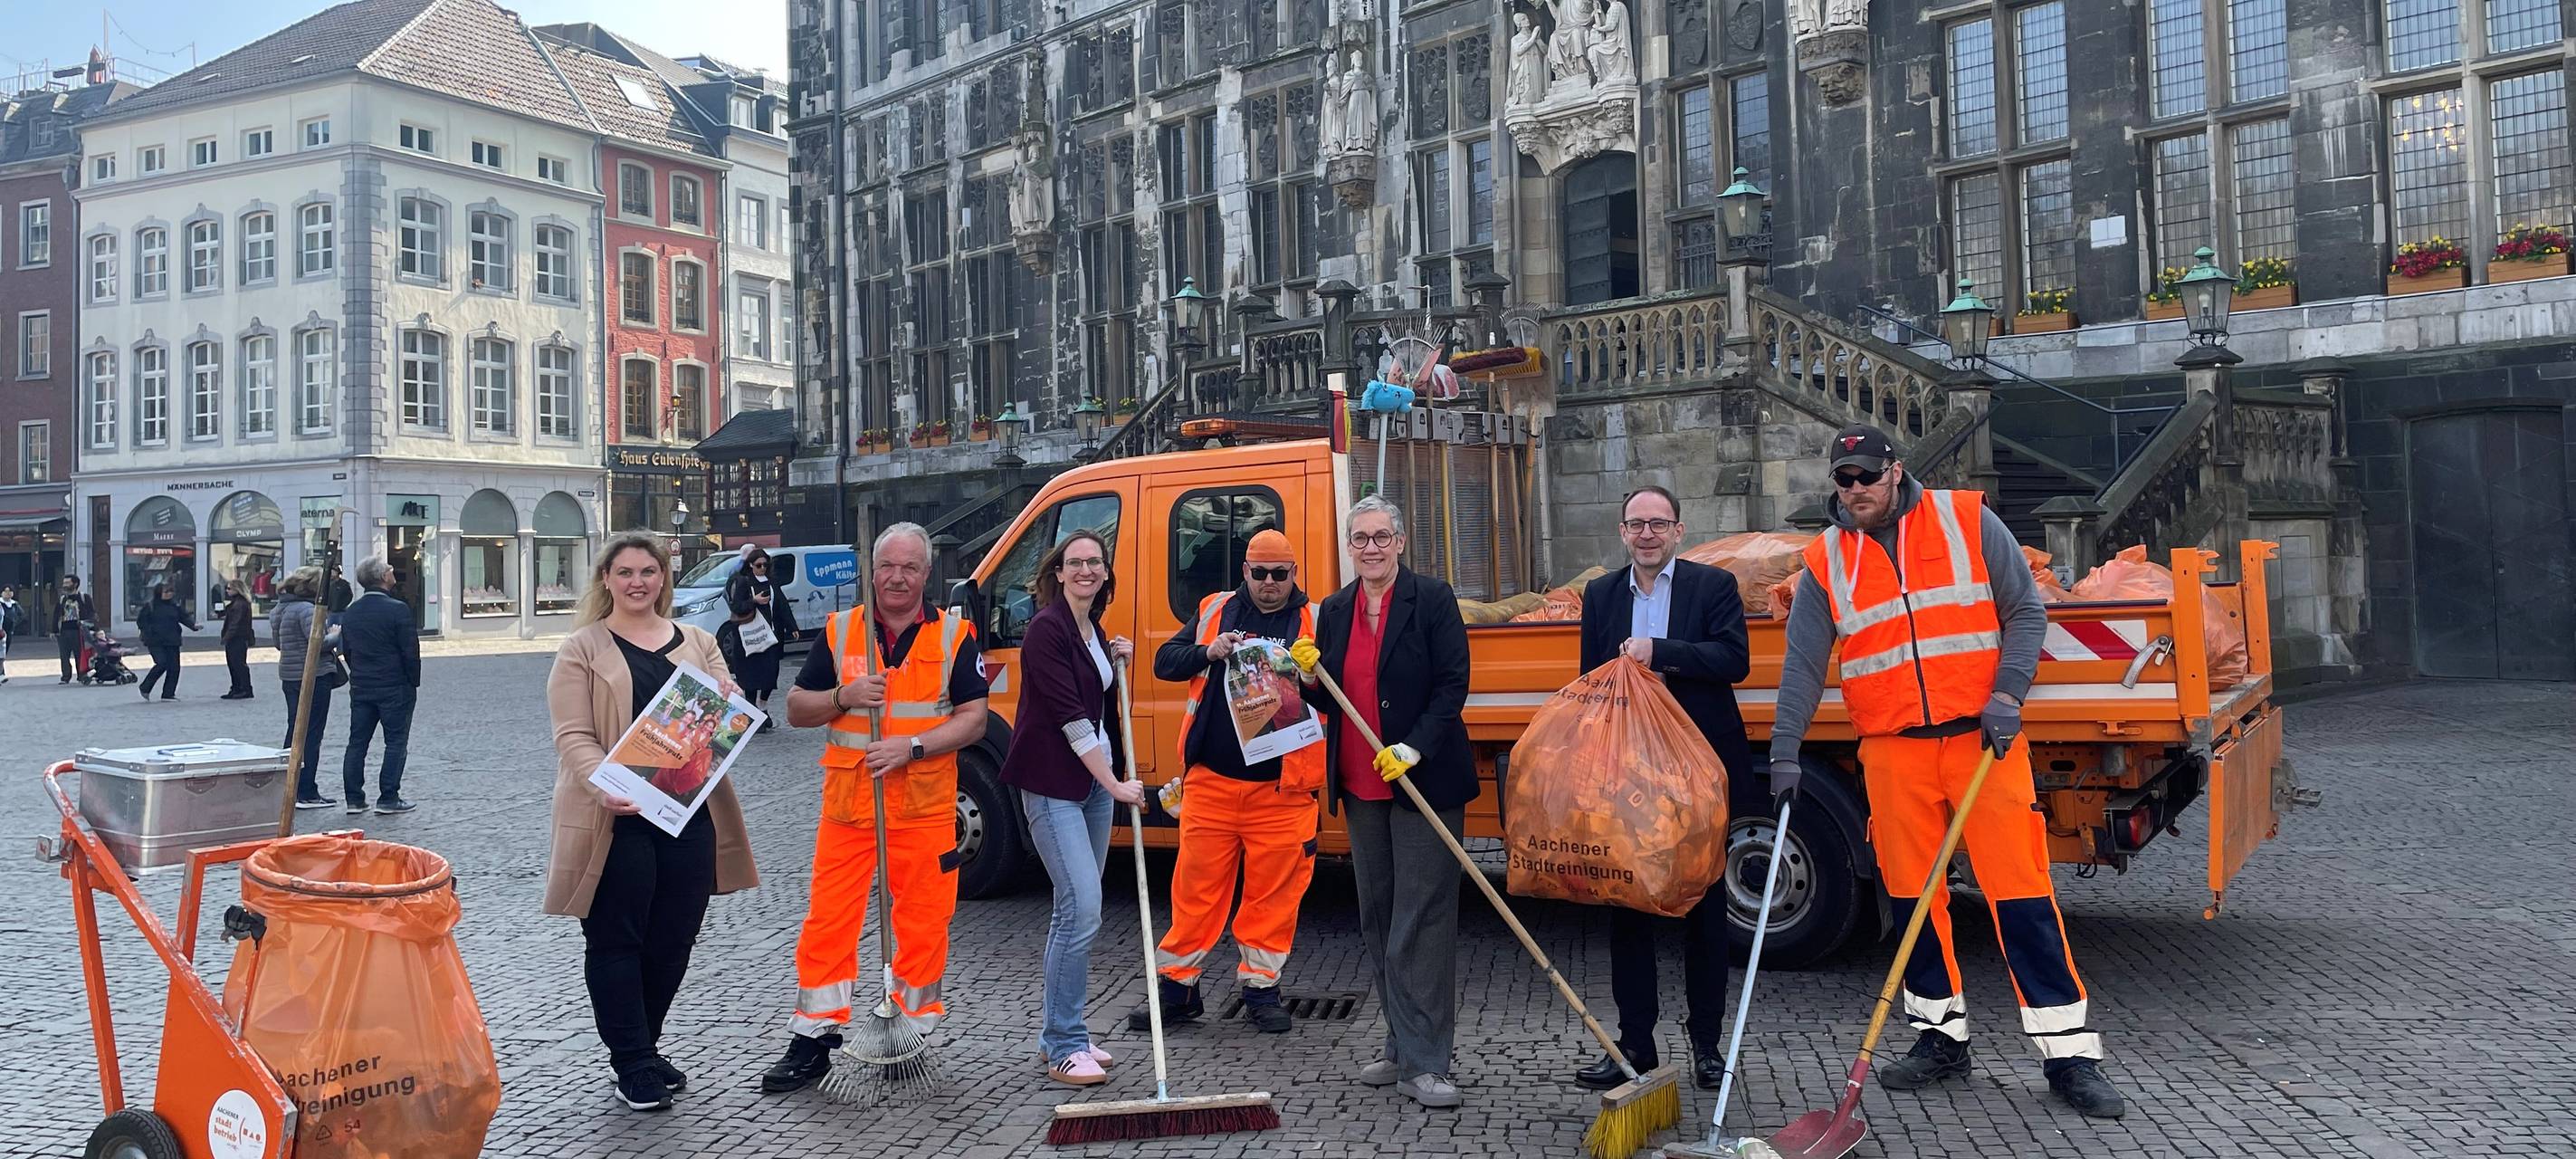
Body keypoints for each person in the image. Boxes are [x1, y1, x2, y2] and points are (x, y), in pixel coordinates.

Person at [1768, 425, 2126, 1119]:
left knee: (2020, 896)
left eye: (1868, 475)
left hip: (1980, 743)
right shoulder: (1825, 561)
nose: (1857, 489)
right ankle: (1939, 1039)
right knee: (1911, 902)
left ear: (1895, 472)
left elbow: (2025, 611)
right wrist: (1786, 750)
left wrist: (2007, 695)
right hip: (1894, 751)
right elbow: (1803, 666)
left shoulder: (1967, 519)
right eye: (1844, 479)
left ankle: (2070, 1055)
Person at [760, 523, 990, 1094]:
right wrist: (844, 696)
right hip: (850, 809)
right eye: (888, 565)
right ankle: (813, 1037)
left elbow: (975, 719)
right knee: (828, 922)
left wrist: (910, 747)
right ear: (873, 568)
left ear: (926, 573)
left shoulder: (956, 636)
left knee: (923, 923)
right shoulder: (841, 632)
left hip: (926, 808)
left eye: (910, 567)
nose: (897, 577)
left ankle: (909, 1033)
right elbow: (796, 709)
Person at [545, 532, 759, 1112]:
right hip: (614, 816)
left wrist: (729, 696)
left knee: (673, 937)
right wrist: (605, 783)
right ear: (607, 580)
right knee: (617, 937)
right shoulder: (582, 648)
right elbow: (572, 736)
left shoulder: (697, 639)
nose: (637, 582)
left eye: (648, 571)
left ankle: (645, 1043)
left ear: (663, 578)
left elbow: (723, 703)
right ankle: (632, 1062)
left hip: (686, 812)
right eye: (625, 572)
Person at [1293, 495, 1474, 1109]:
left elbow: (1454, 685)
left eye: (1380, 537)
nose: (1370, 548)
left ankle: (1428, 1062)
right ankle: (1400, 1042)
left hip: (1422, 783)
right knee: (1378, 916)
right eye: (1359, 538)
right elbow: (1329, 701)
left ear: (1400, 541)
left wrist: (1415, 749)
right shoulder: (1337, 609)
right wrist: (1311, 677)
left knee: (1420, 920)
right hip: (1361, 782)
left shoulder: (1433, 600)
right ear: (1349, 546)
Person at [1569, 485, 1751, 1091]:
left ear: (1678, 530)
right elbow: (1590, 680)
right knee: (1628, 913)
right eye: (1635, 524)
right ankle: (1635, 1046)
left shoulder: (1712, 587)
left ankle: (1706, 1047)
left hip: (1696, 774)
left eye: (1658, 524)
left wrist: (1659, 653)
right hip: (1629, 778)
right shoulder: (1599, 595)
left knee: (1703, 914)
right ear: (1622, 532)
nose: (1646, 534)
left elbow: (1733, 659)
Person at [1129, 528, 1321, 1036]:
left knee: (1273, 897)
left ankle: (1261, 990)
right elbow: (1164, 662)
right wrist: (1206, 653)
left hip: (1283, 790)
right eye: (1260, 573)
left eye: (1280, 574)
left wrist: (1313, 676)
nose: (1270, 583)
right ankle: (1176, 990)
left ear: (1294, 574)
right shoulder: (1215, 610)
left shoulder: (1314, 619)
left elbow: (1339, 696)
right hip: (1211, 783)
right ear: (1245, 572)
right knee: (1194, 892)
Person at [997, 530, 1136, 1087]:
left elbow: (1099, 706)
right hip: (1056, 785)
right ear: (1058, 572)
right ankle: (1063, 1045)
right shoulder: (1045, 631)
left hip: (1092, 787)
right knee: (1082, 909)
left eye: (1094, 563)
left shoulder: (1091, 629)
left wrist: (1117, 657)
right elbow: (1071, 719)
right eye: (1075, 563)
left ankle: (1064, 1031)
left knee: (1073, 911)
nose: (1085, 571)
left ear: (1104, 573)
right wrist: (1117, 782)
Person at [339, 557, 423, 814]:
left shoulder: (351, 611)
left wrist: (359, 673)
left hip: (363, 685)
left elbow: (348, 649)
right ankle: (389, 796)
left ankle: (354, 798)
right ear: (383, 577)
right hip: (394, 685)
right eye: (389, 569)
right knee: (396, 741)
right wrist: (412, 680)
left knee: (357, 742)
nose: (392, 571)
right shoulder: (397, 609)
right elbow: (410, 651)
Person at [273, 569, 341, 809]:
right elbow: (318, 644)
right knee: (311, 733)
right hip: (313, 675)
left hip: (289, 675)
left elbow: (278, 644)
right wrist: (334, 635)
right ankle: (306, 790)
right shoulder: (308, 611)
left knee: (294, 729)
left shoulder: (280, 609)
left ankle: (287, 785)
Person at [721, 544, 795, 708]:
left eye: (765, 565)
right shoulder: (744, 582)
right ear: (750, 565)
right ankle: (752, 709)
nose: (762, 568)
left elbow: (782, 605)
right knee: (752, 677)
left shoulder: (772, 582)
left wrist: (793, 627)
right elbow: (736, 607)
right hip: (750, 637)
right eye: (759, 565)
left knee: (770, 674)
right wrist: (754, 601)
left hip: (771, 636)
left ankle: (763, 706)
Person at [135, 583, 197, 701]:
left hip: (172, 639)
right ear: (159, 593)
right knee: (161, 663)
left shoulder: (175, 605)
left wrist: (193, 626)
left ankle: (168, 694)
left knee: (174, 667)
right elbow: (141, 622)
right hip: (155, 641)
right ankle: (145, 687)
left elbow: (183, 617)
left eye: (171, 591)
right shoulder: (150, 606)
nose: (169, 594)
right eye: (166, 592)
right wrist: (150, 632)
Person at [219, 581, 257, 699]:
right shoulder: (237, 602)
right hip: (236, 637)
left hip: (237, 638)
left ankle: (244, 689)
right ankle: (237, 688)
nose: (227, 590)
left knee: (238, 664)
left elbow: (236, 623)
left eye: (229, 588)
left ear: (237, 589)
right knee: (234, 664)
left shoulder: (240, 604)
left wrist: (227, 637)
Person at [56, 576, 95, 685]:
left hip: (78, 631)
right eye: (64, 583)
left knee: (80, 654)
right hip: (63, 631)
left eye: (68, 583)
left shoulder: (84, 597)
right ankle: (65, 677)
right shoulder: (62, 599)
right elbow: (56, 614)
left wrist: (92, 627)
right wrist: (54, 630)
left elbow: (92, 613)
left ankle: (81, 675)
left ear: (75, 584)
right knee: (64, 655)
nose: (65, 585)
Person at [0, 585, 24, 684]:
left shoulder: (14, 605)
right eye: (5, 591)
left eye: (10, 591)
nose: (8, 593)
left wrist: (14, 624)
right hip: (1, 631)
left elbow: (21, 615)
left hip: (8, 632)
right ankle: (1, 674)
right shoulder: (0, 604)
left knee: (3, 654)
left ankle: (1, 673)